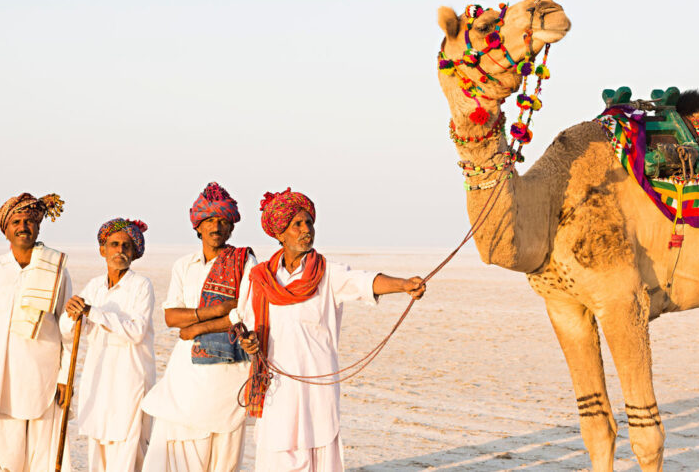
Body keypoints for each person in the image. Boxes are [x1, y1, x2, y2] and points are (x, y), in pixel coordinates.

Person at [237, 188, 426, 472]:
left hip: (317, 386)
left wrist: (403, 285)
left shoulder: (326, 273)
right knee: (276, 453)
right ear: (280, 234)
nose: (306, 230)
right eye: (297, 224)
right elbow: (247, 325)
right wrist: (249, 342)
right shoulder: (260, 278)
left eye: (309, 223)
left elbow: (365, 282)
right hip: (277, 386)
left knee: (319, 454)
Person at [141, 182, 257, 472]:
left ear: (231, 227)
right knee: (179, 437)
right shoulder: (184, 265)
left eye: (222, 221)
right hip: (186, 371)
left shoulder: (244, 261)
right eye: (209, 221)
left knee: (222, 452)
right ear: (198, 227)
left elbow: (243, 312)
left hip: (228, 369)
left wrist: (195, 328)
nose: (215, 227)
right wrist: (216, 310)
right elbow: (171, 317)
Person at [0, 192, 73, 471]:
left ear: (38, 226)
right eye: (17, 221)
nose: (23, 227)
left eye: (29, 221)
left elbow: (67, 329)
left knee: (42, 457)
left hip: (43, 377)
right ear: (6, 229)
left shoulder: (55, 269)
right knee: (1, 453)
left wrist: (65, 378)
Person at [62, 218, 156, 471]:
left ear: (135, 252)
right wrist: (72, 314)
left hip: (130, 381)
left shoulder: (141, 286)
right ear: (103, 249)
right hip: (99, 379)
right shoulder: (94, 286)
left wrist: (92, 311)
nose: (120, 251)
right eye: (114, 244)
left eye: (126, 246)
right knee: (98, 447)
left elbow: (136, 332)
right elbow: (70, 332)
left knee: (128, 449)